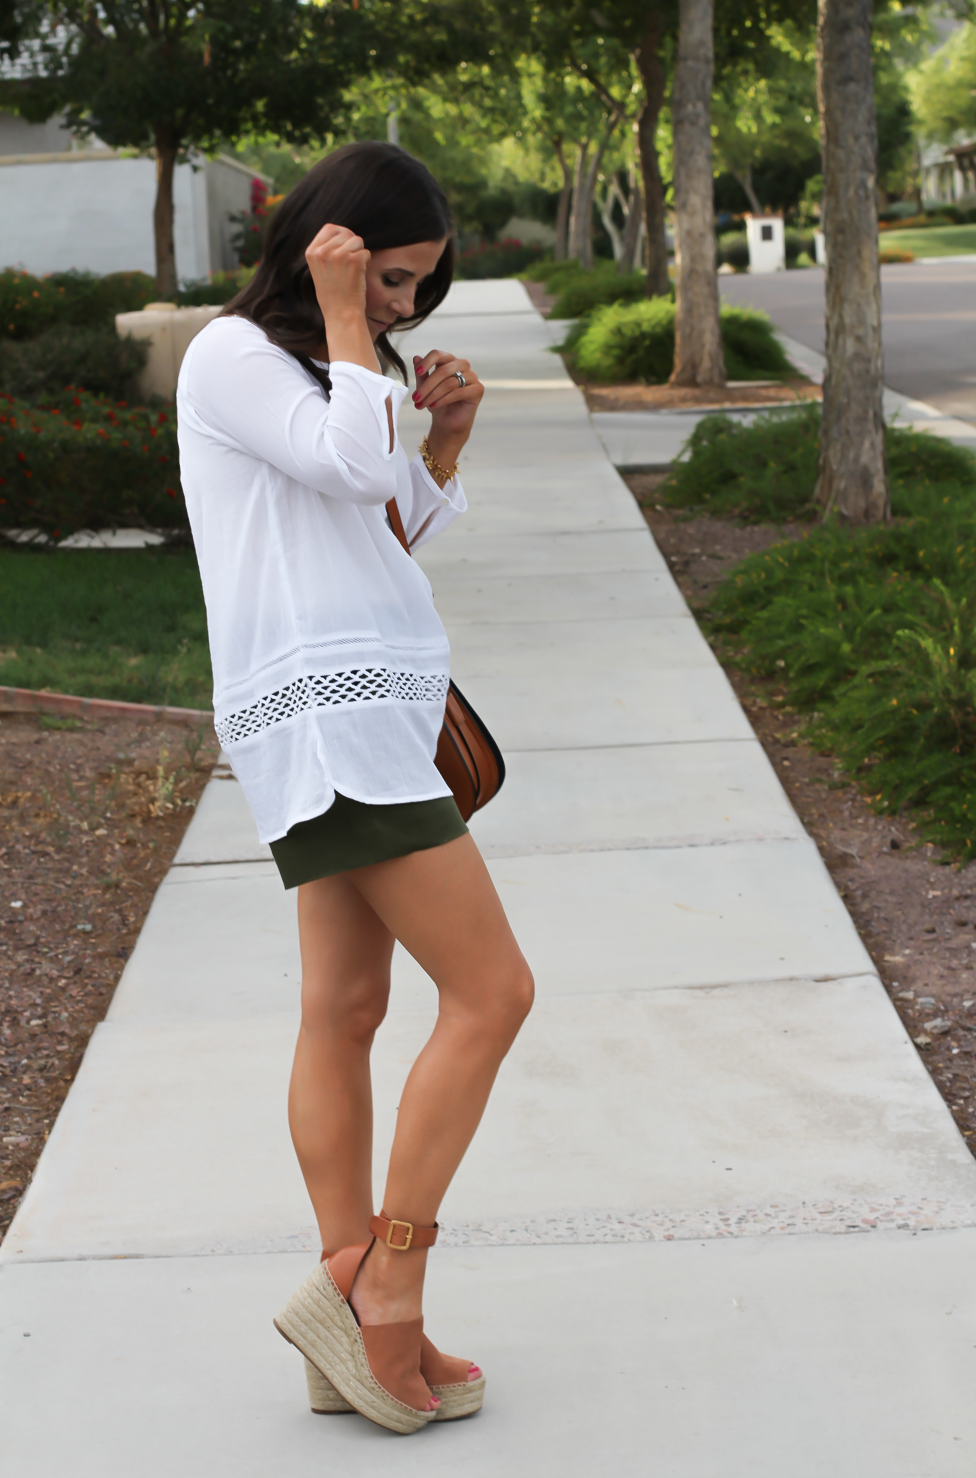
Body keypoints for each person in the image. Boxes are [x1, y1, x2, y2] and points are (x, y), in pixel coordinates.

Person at [176, 141, 533, 1435]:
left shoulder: (337, 368)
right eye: (390, 278)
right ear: (329, 242)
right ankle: (393, 1281)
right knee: (494, 991)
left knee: (347, 1001)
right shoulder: (234, 357)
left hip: (360, 710)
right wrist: (344, 329)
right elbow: (337, 464)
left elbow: (384, 520)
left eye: (416, 289)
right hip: (330, 720)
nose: (400, 309)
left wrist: (448, 427)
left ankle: (351, 1291)